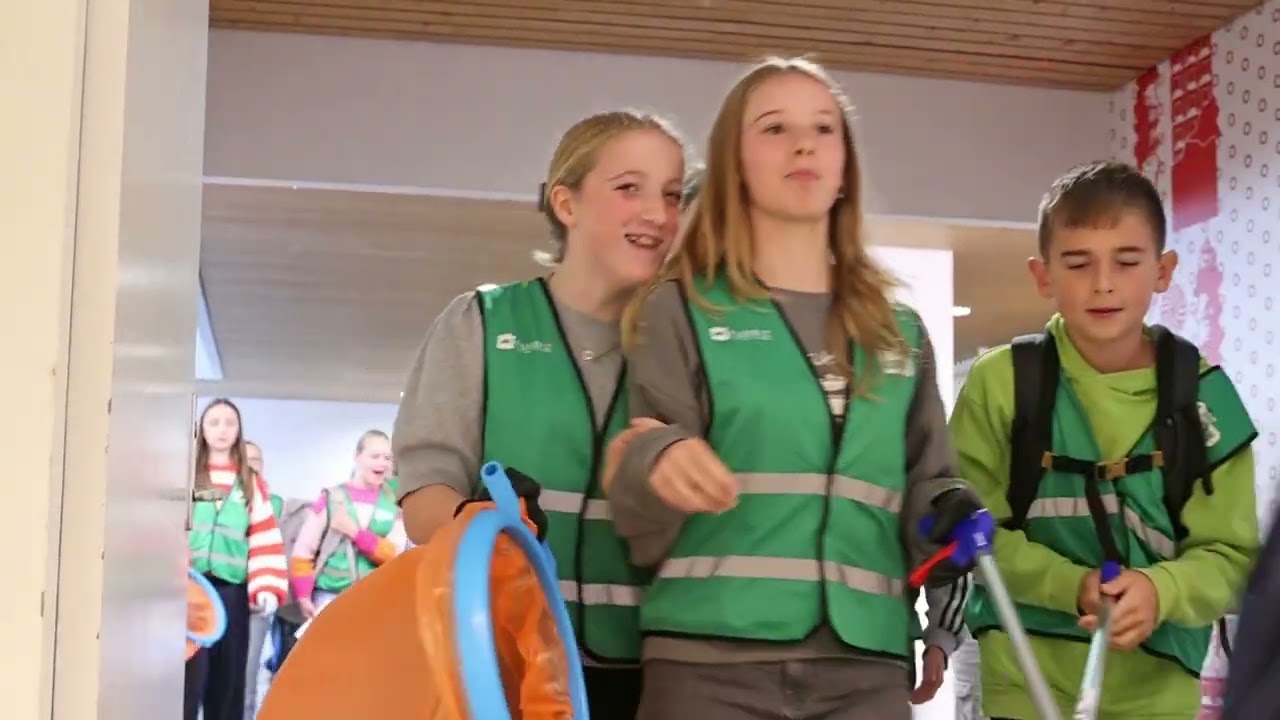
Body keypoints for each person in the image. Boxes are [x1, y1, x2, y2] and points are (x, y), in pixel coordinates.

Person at [605, 56, 981, 719]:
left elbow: (931, 485)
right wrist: (656, 462)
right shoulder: (683, 310)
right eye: (775, 128)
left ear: (845, 167)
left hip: (866, 666)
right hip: (708, 662)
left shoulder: (900, 333)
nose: (804, 143)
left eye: (824, 129)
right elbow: (637, 513)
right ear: (734, 165)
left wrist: (949, 527)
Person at [392, 109, 687, 717]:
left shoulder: (685, 345)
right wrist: (486, 532)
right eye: (629, 188)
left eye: (671, 194)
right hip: (503, 667)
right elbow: (424, 495)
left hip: (655, 675)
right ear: (566, 203)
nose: (657, 214)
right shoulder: (482, 323)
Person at [950, 161, 1260, 719]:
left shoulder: (1207, 397)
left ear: (1163, 270)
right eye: (1077, 263)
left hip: (1159, 696)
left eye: (1127, 260)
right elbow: (976, 532)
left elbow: (1234, 558)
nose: (1103, 283)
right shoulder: (998, 384)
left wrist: (1160, 589)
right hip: (1022, 687)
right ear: (1042, 274)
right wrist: (1073, 584)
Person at [185, 399, 288, 720]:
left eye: (229, 423)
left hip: (232, 592)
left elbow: (264, 535)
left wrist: (266, 586)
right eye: (214, 422)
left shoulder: (250, 484)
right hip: (190, 591)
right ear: (202, 428)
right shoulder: (188, 475)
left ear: (239, 430)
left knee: (228, 680)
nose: (222, 430)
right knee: (189, 678)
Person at [289, 429, 407, 620]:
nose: (382, 463)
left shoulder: (394, 506)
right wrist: (303, 596)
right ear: (357, 457)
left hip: (375, 600)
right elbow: (303, 551)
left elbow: (396, 555)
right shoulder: (331, 498)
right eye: (375, 456)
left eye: (387, 458)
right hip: (329, 598)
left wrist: (356, 533)